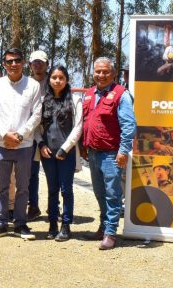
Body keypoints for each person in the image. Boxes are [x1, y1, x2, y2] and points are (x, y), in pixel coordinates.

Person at [81, 57, 137, 250]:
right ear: (93, 73)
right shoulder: (89, 94)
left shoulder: (122, 95)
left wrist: (123, 150)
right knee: (99, 193)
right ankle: (103, 226)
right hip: (93, 153)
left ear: (113, 74)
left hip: (111, 154)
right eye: (98, 71)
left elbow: (129, 125)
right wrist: (83, 146)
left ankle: (111, 233)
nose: (101, 75)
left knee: (113, 194)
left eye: (106, 72)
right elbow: (85, 122)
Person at [0, 48, 42, 240]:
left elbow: (36, 114)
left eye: (17, 60)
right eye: (9, 61)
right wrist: (4, 134)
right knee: (1, 186)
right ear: (4, 64)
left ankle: (20, 224)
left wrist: (20, 135)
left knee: (23, 187)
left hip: (24, 145)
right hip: (0, 144)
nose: (13, 64)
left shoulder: (33, 85)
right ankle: (1, 223)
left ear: (23, 62)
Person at [35, 65, 82, 241]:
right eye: (54, 77)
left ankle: (66, 225)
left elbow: (78, 127)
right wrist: (41, 145)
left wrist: (65, 148)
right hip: (48, 153)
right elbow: (37, 128)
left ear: (67, 80)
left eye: (61, 78)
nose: (57, 80)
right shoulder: (42, 101)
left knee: (66, 189)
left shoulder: (75, 100)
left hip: (66, 153)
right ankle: (53, 223)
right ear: (49, 80)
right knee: (52, 189)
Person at [20, 50, 48, 222]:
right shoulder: (26, 84)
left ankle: (55, 206)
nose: (38, 65)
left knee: (54, 173)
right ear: (30, 65)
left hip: (49, 133)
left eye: (41, 62)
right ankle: (33, 205)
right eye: (34, 62)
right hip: (30, 133)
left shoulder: (53, 82)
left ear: (47, 64)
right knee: (32, 172)